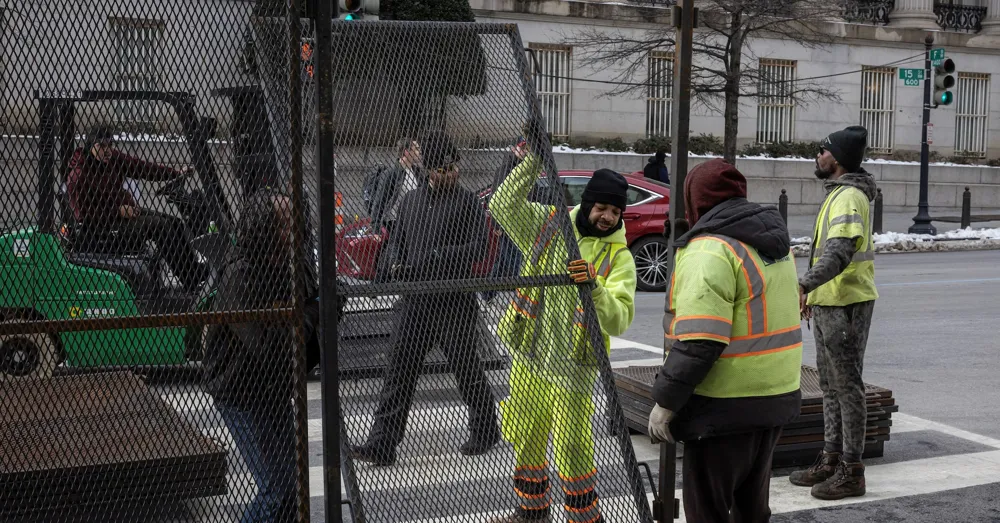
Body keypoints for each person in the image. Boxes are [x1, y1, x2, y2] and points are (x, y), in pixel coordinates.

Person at [647, 158, 803, 522]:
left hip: (724, 406)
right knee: (752, 509)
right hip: (775, 396)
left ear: (694, 200)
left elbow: (701, 340)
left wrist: (666, 402)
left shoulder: (711, 250)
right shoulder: (773, 244)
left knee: (708, 511)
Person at [488, 147, 637, 523]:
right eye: (602, 207)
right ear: (587, 203)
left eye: (616, 212)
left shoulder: (618, 257)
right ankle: (532, 512)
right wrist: (535, 160)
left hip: (573, 365)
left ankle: (584, 518)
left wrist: (596, 288)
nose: (607, 217)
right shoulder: (549, 224)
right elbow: (502, 205)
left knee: (572, 445)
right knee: (527, 435)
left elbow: (619, 320)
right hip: (531, 354)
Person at [349, 130, 500, 466]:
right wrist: (394, 262)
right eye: (443, 169)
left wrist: (435, 255)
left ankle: (486, 428)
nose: (451, 173)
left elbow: (478, 248)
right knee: (398, 370)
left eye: (453, 167)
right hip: (414, 300)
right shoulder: (410, 202)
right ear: (429, 170)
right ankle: (382, 443)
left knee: (466, 367)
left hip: (453, 300)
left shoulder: (468, 203)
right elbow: (396, 240)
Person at [203, 188, 327, 522]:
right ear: (263, 228)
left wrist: (305, 314)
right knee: (277, 487)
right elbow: (269, 349)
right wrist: (305, 316)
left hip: (274, 390)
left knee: (294, 487)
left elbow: (311, 316)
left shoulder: (293, 262)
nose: (293, 231)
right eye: (284, 224)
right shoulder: (240, 274)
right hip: (241, 391)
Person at [789, 125, 878, 501]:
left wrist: (803, 284)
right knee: (830, 387)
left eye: (822, 150)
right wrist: (814, 293)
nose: (817, 156)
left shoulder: (848, 197)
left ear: (836, 159)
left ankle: (852, 471)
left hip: (847, 303)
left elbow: (839, 253)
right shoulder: (838, 194)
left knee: (848, 387)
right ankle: (830, 459)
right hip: (831, 301)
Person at [66, 125, 206, 291]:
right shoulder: (79, 175)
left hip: (123, 214)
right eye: (101, 146)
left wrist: (175, 173)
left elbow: (141, 167)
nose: (107, 151)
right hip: (102, 227)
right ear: (91, 146)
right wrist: (117, 211)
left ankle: (194, 271)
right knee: (160, 227)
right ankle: (191, 280)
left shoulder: (113, 159)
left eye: (110, 145)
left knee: (174, 222)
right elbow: (82, 213)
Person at [369, 137, 423, 280]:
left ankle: (389, 279)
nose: (419, 152)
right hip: (394, 221)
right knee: (395, 248)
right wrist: (375, 226)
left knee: (401, 251)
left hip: (413, 221)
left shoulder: (417, 173)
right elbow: (379, 201)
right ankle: (382, 280)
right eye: (416, 149)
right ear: (406, 152)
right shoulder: (392, 174)